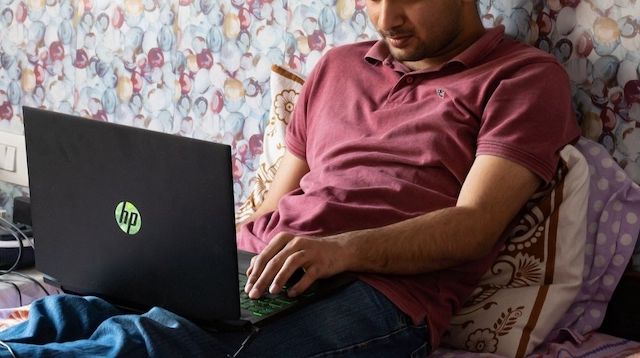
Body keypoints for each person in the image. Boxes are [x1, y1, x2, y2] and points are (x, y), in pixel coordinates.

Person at [0, 0, 580, 356]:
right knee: (72, 313)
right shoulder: (337, 67)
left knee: (151, 344)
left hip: (379, 294)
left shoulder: (523, 79)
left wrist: (337, 252)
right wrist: (181, 254)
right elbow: (275, 206)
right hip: (258, 268)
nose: (386, 18)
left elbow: (475, 225)